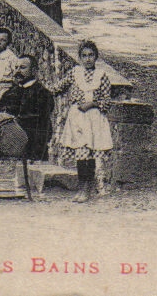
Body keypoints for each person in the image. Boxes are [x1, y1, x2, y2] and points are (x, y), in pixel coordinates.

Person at [52, 40, 116, 202]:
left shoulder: (101, 76)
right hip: (77, 118)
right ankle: (81, 187)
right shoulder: (75, 73)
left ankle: (88, 188)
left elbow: (107, 101)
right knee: (81, 153)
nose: (88, 59)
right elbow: (58, 87)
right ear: (79, 58)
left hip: (94, 117)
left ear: (96, 57)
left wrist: (92, 103)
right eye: (84, 56)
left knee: (90, 153)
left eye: (91, 56)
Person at [0, 55, 58, 161]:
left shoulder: (42, 93)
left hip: (32, 145)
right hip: (8, 140)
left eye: (22, 67)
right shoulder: (11, 92)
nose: (18, 71)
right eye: (16, 67)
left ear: (33, 70)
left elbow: (39, 122)